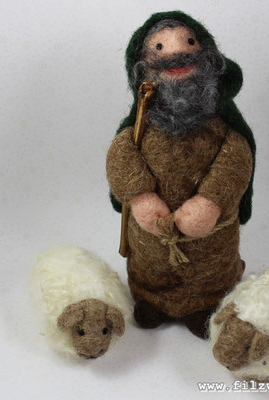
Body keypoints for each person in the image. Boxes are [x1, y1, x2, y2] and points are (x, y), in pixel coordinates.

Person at [106, 11, 256, 338]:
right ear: (141, 70)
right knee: (150, 266)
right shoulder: (140, 127)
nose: (175, 53)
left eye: (188, 42)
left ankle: (207, 303)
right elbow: (121, 154)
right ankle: (150, 299)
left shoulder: (223, 129)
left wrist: (210, 202)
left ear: (209, 59)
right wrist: (141, 197)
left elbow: (236, 159)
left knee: (210, 271)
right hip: (151, 246)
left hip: (211, 245)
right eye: (159, 47)